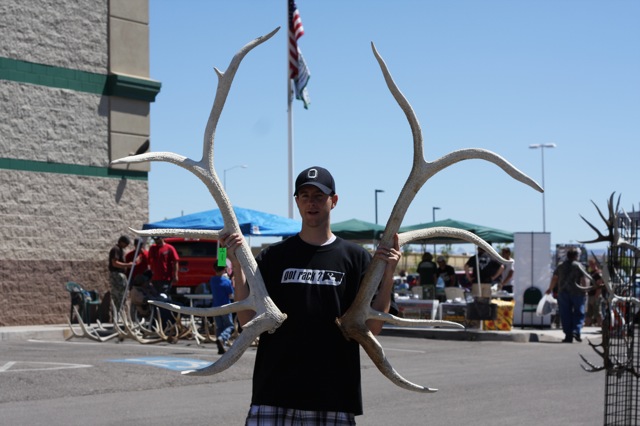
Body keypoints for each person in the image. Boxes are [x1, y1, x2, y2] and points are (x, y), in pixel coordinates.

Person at [221, 166, 400, 424]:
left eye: (319, 196)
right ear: (296, 202)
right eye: (304, 196)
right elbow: (247, 320)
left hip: (334, 395)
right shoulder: (274, 257)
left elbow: (373, 326)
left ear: (334, 201)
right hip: (273, 392)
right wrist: (237, 266)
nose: (311, 202)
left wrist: (388, 274)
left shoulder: (356, 258)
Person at [545, 247, 588, 343]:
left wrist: (550, 289)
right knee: (579, 312)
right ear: (576, 256)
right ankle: (576, 331)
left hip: (563, 292)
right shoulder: (579, 266)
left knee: (565, 314)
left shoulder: (561, 266)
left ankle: (568, 335)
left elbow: (555, 278)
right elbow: (584, 279)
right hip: (577, 292)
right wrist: (585, 290)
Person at [209, 264, 235, 355]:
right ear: (224, 269)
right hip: (225, 307)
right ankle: (222, 338)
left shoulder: (212, 280)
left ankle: (221, 346)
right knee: (229, 326)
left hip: (215, 306)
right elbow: (231, 294)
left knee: (219, 327)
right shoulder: (226, 281)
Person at [108, 235, 133, 313]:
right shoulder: (116, 249)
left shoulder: (121, 250)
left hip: (121, 275)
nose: (126, 246)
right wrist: (127, 265)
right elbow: (114, 263)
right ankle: (117, 315)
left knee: (123, 296)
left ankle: (119, 314)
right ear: (121, 242)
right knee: (118, 296)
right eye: (125, 243)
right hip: (117, 275)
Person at [585, 258, 604, 327]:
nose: (591, 266)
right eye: (590, 264)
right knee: (589, 312)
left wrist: (596, 296)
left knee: (598, 312)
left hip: (595, 295)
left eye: (592, 264)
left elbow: (599, 285)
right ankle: (586, 325)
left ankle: (601, 325)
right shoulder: (592, 273)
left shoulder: (598, 273)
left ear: (595, 264)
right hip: (591, 295)